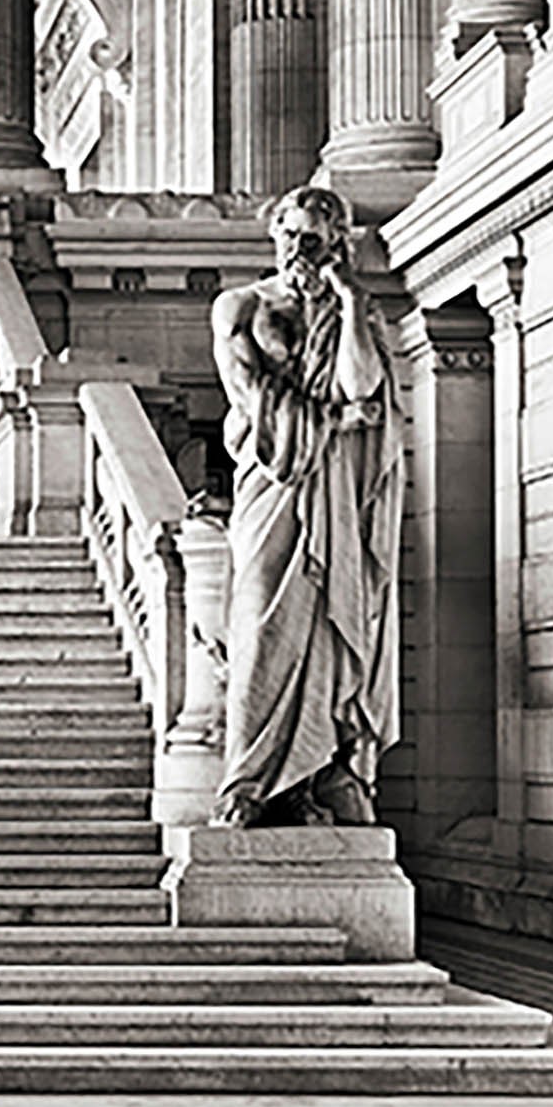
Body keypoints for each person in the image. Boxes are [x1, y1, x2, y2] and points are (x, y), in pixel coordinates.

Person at [207, 184, 404, 828]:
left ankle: (312, 777)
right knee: (261, 621)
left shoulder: (353, 311)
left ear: (337, 244)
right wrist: (335, 421)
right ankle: (245, 780)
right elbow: (250, 396)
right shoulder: (241, 305)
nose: (301, 249)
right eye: (291, 235)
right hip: (275, 486)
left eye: (315, 239)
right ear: (274, 236)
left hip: (336, 494)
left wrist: (349, 304)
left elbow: (363, 386)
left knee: (327, 626)